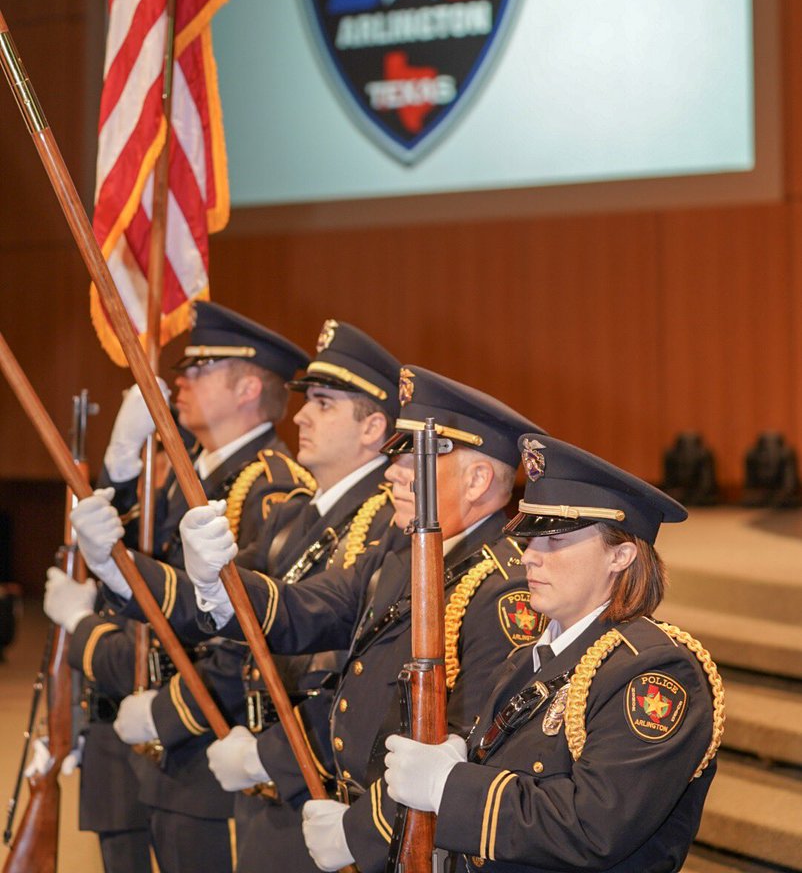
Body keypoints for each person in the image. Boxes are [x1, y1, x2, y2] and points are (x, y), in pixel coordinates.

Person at [177, 366, 548, 873]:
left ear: (478, 478)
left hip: (410, 841)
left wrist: (360, 833)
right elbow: (304, 611)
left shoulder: (506, 589)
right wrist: (217, 583)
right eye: (396, 452)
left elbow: (470, 745)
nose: (392, 469)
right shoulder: (401, 553)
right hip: (352, 817)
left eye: (415, 454)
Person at [44, 301, 310, 873]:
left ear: (246, 390)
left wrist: (164, 711)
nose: (180, 380)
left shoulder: (271, 489)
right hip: (153, 746)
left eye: (202, 367)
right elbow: (122, 565)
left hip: (204, 751)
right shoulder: (198, 475)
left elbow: (244, 636)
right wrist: (118, 463)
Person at [383, 432, 725, 873]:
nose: (529, 556)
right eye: (529, 539)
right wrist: (462, 763)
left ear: (620, 555)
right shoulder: (525, 660)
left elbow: (593, 829)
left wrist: (452, 787)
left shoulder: (654, 672)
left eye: (555, 541)